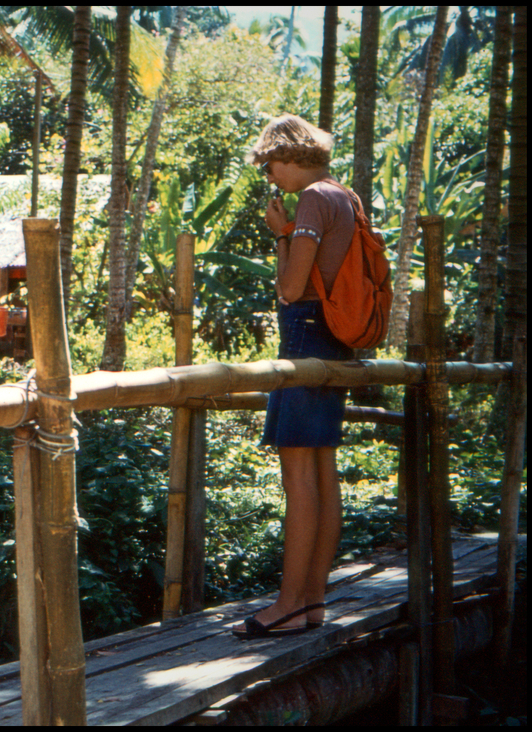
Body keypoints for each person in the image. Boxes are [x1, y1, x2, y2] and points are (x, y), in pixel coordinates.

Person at [232, 114, 356, 639]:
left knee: (298, 478)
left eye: (271, 166)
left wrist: (281, 236)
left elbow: (289, 287)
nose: (271, 178)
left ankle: (285, 605)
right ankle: (312, 601)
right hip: (337, 339)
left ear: (289, 156)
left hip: (305, 333)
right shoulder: (344, 195)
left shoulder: (310, 201)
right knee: (323, 473)